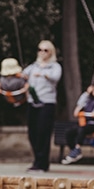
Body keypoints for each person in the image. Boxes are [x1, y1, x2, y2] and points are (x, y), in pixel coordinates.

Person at [22, 40, 62, 173]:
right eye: (40, 50)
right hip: (32, 102)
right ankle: (37, 160)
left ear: (51, 52)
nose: (42, 53)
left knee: (43, 133)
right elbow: (23, 75)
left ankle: (42, 163)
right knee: (32, 132)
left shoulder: (54, 66)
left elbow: (56, 77)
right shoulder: (34, 66)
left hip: (47, 103)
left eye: (45, 50)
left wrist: (44, 74)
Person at [61, 80, 94, 165]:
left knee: (82, 129)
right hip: (85, 122)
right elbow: (78, 106)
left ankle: (77, 148)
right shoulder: (89, 99)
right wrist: (87, 93)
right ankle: (75, 150)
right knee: (69, 132)